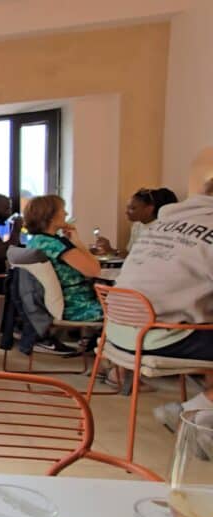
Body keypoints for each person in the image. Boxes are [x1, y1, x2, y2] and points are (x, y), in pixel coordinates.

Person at [109, 149, 213, 431]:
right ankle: (193, 412)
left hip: (115, 331)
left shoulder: (163, 225)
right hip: (155, 335)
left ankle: (204, 422)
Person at [23, 195, 103, 322]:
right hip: (78, 306)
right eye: (62, 210)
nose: (66, 213)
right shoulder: (55, 245)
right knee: (133, 309)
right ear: (50, 216)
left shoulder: (35, 242)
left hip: (52, 305)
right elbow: (94, 270)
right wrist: (77, 242)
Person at [93, 187, 179, 255]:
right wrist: (109, 250)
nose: (126, 212)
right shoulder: (137, 226)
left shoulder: (162, 229)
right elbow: (130, 254)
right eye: (128, 207)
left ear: (149, 209)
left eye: (132, 208)